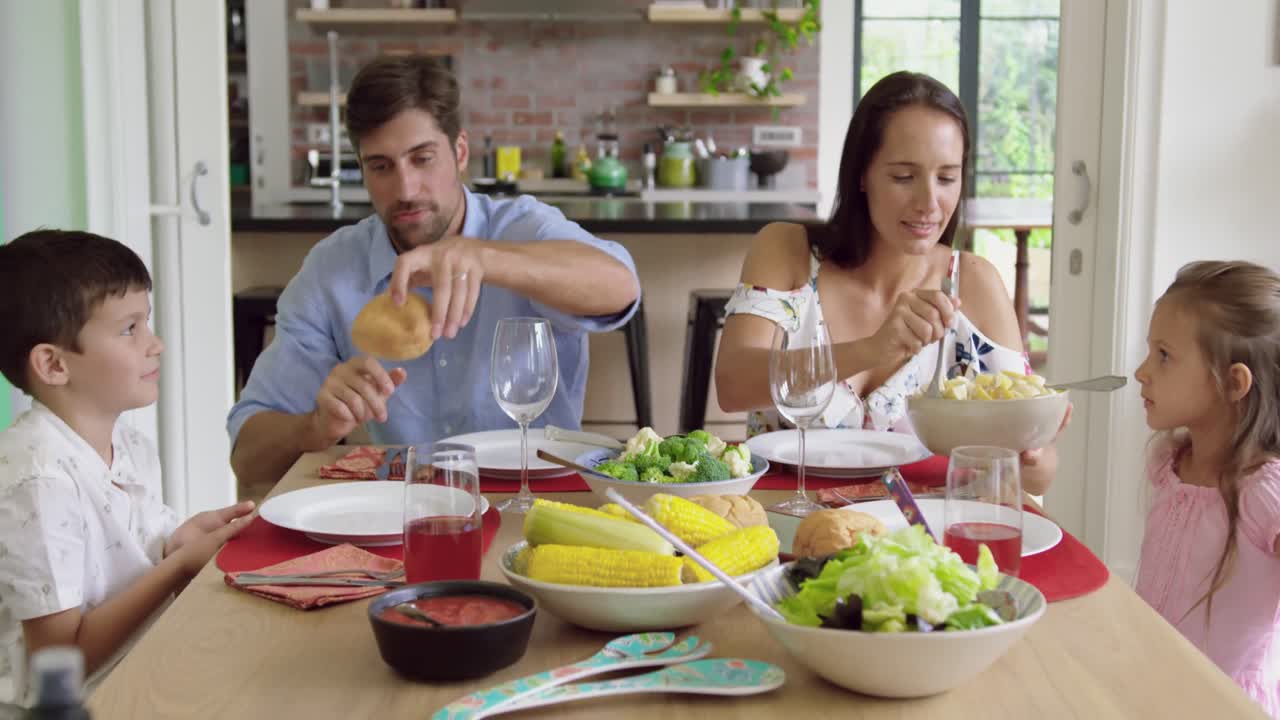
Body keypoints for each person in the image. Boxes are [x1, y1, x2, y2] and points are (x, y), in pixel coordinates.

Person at [227, 56, 640, 489]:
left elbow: (621, 286)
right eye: (381, 166)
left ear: (460, 152)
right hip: (411, 513)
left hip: (539, 498)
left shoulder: (525, 227)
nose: (405, 190)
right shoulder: (332, 270)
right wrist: (314, 426)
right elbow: (248, 461)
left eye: (422, 159)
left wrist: (484, 258)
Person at [714, 70, 1067, 494]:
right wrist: (871, 349)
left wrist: (1032, 449)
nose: (929, 203)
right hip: (781, 519)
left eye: (947, 178)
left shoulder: (974, 282)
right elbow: (731, 384)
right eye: (903, 177)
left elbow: (1039, 478)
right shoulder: (786, 249)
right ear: (862, 173)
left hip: (916, 541)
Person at [0, 230, 255, 709]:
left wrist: (176, 541)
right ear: (53, 364)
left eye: (147, 323)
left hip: (138, 673)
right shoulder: (38, 481)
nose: (155, 345)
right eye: (129, 329)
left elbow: (132, 553)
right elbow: (60, 662)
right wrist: (178, 566)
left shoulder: (128, 444)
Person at [1133, 260, 1280, 716]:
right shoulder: (1170, 463)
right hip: (1149, 688)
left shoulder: (1264, 494)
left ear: (1233, 383)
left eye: (1164, 355)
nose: (1142, 372)